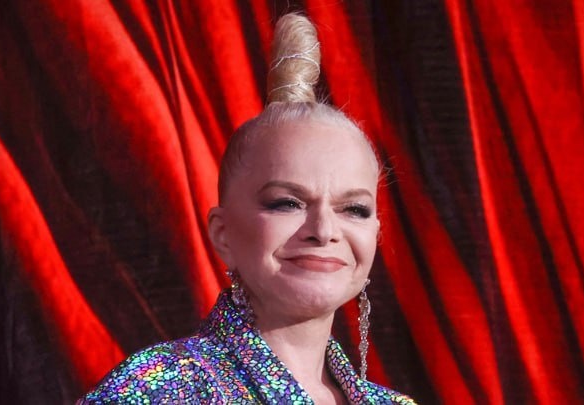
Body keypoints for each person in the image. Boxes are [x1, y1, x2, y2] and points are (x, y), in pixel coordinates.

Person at [81, 13, 415, 404]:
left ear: (376, 233)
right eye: (287, 203)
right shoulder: (157, 391)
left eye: (354, 209)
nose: (324, 230)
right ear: (222, 234)